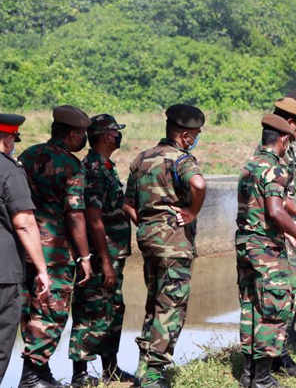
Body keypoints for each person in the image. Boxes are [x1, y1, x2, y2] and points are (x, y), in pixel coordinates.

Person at [235, 114, 296, 388]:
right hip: (266, 249)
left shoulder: (251, 164)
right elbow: (276, 210)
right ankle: (262, 380)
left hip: (246, 245)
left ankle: (249, 375)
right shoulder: (275, 168)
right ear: (283, 139)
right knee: (273, 309)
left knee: (252, 307)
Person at [123, 104, 207, 388]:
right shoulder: (181, 160)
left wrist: (149, 225)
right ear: (184, 135)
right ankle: (154, 376)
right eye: (194, 134)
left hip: (148, 243)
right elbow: (198, 183)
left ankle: (143, 369)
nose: (195, 139)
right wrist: (192, 213)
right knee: (171, 308)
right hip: (174, 245)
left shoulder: (141, 158)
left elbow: (128, 204)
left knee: (154, 303)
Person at [18, 106, 94, 388]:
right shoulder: (71, 166)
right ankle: (32, 377)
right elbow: (75, 215)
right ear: (74, 134)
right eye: (83, 134)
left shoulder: (28, 155)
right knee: (53, 311)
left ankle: (40, 373)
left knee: (31, 311)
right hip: (55, 251)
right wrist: (84, 255)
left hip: (25, 246)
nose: (84, 139)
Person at [68, 114, 133, 385]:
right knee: (90, 310)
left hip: (114, 254)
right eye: (116, 132)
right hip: (100, 256)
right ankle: (80, 375)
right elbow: (93, 217)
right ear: (108, 136)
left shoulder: (106, 166)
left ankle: (111, 369)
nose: (119, 136)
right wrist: (104, 261)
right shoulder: (93, 168)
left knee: (113, 309)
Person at [0, 114, 50, 386]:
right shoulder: (9, 170)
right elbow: (24, 223)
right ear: (9, 139)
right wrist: (42, 270)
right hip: (4, 273)